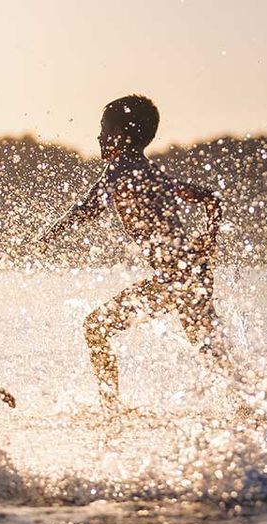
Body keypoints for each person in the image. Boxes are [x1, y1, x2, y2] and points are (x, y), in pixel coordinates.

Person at [35, 94, 226, 406]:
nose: (98, 136)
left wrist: (48, 237)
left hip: (176, 278)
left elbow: (89, 208)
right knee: (211, 353)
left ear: (121, 137)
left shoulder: (120, 168)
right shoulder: (152, 172)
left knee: (96, 328)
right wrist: (209, 240)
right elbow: (210, 198)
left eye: (103, 130)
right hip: (191, 273)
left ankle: (111, 411)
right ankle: (254, 409)